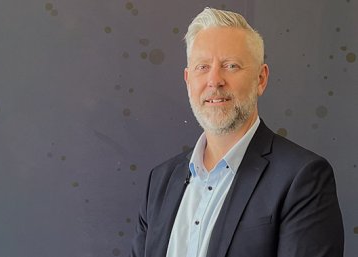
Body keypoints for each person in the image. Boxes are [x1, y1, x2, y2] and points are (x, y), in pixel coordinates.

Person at [129, 7, 344, 257]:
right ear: (188, 79)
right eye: (202, 67)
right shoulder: (160, 182)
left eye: (231, 66)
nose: (214, 80)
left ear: (261, 79)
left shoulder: (302, 178)